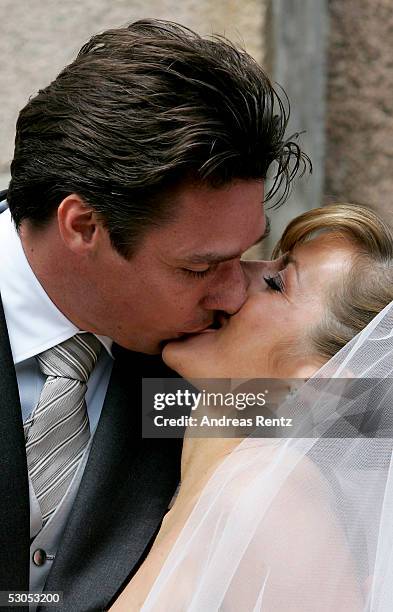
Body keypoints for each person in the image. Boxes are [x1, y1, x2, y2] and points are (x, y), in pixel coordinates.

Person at [0, 18, 307, 612]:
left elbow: (364, 422)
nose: (232, 295)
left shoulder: (203, 368)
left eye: (244, 256)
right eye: (198, 268)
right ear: (83, 226)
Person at [110, 203, 393, 611]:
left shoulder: (274, 500)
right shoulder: (208, 459)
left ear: (318, 382)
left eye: (277, 283)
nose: (236, 278)